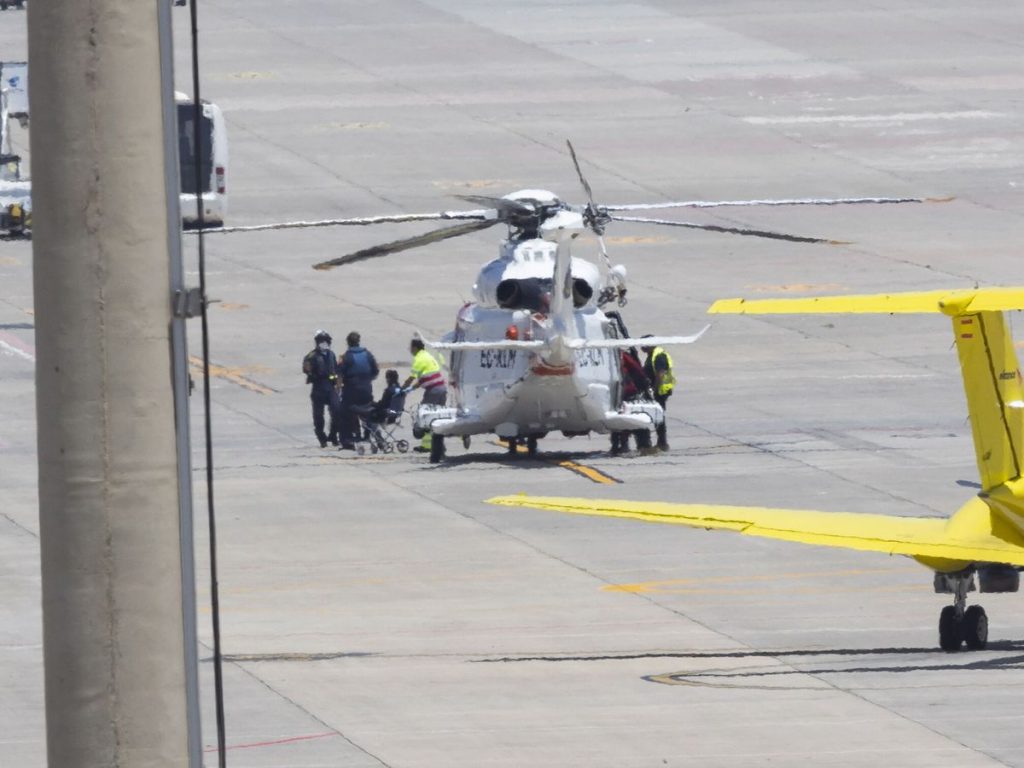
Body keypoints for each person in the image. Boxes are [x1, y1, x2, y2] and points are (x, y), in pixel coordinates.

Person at [402, 338, 447, 455]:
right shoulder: (427, 355)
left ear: (415, 348)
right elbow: (424, 378)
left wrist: (403, 388)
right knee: (438, 418)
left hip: (433, 391)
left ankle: (427, 445)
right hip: (442, 388)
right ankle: (440, 445)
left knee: (426, 417)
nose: (409, 349)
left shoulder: (418, 359)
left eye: (410, 347)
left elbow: (411, 378)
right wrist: (412, 388)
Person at [338, 331, 379, 448]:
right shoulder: (367, 354)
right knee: (367, 410)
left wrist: (338, 389)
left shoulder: (346, 357)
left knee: (344, 412)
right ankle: (368, 434)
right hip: (366, 390)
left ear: (348, 343)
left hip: (351, 391)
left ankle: (348, 439)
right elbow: (375, 371)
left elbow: (340, 376)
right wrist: (367, 380)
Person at [612, 348, 654, 455]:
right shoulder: (622, 354)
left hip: (614, 392)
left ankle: (620, 445)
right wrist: (644, 382)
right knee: (636, 416)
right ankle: (643, 444)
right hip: (626, 391)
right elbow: (636, 369)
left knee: (618, 418)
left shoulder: (614, 355)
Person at [302, 329, 339, 448]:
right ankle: (321, 437)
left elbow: (336, 369)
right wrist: (311, 373)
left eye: (326, 341)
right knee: (318, 416)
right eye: (321, 341)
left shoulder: (331, 354)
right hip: (318, 387)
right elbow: (306, 368)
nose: (324, 343)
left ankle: (333, 435)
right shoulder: (311, 356)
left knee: (336, 412)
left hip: (331, 387)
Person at [641, 336, 675, 451]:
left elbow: (660, 374)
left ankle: (662, 442)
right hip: (656, 390)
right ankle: (661, 442)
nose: (642, 347)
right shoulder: (652, 355)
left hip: (660, 391)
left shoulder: (659, 355)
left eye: (644, 344)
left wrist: (654, 389)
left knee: (658, 417)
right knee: (656, 416)